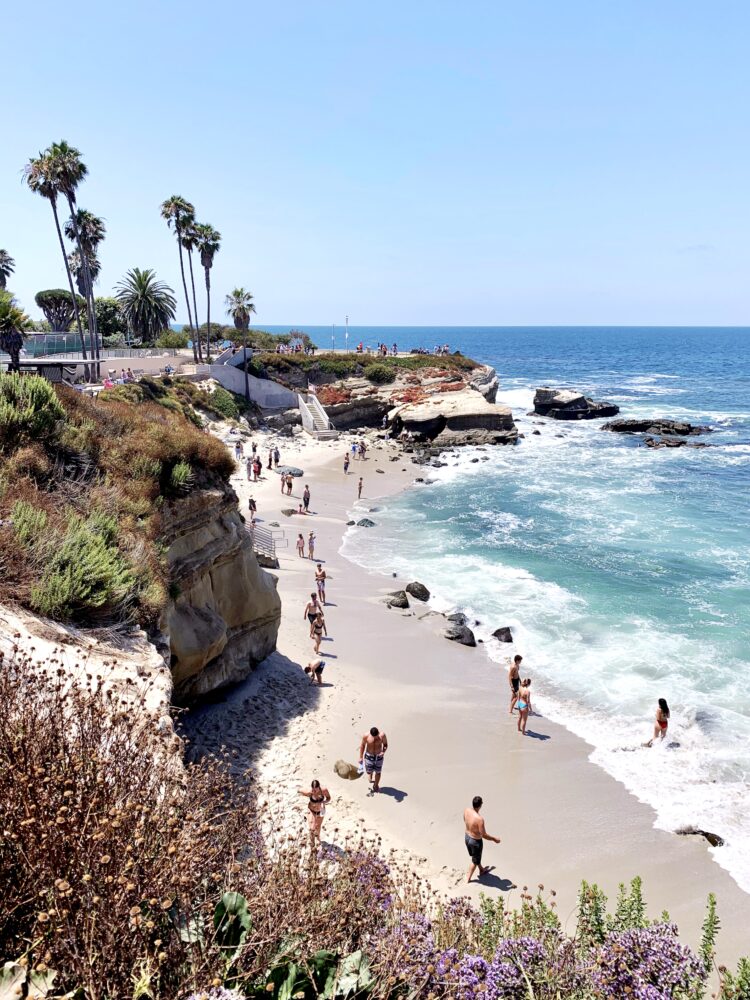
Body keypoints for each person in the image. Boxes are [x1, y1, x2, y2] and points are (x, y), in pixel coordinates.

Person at [464, 795, 501, 883]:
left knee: (476, 857)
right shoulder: (479, 819)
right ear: (480, 805)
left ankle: (481, 869)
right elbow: (483, 835)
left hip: (467, 837)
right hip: (475, 841)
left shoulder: (466, 810)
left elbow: (464, 820)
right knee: (474, 860)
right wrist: (494, 839)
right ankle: (468, 879)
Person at [298, 779, 330, 845]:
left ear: (319, 787)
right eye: (313, 789)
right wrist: (299, 791)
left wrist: (324, 802)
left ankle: (318, 838)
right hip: (311, 810)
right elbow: (300, 790)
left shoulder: (324, 790)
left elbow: (328, 798)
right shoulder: (309, 792)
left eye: (316, 789)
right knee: (312, 828)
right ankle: (312, 842)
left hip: (321, 811)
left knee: (318, 826)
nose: (314, 791)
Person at [358, 726, 388, 794]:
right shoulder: (366, 736)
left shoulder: (382, 735)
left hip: (379, 756)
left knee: (378, 772)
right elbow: (362, 745)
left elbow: (385, 744)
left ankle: (376, 785)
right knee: (369, 771)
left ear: (378, 733)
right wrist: (360, 757)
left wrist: (383, 751)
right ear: (371, 734)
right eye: (373, 736)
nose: (375, 738)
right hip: (369, 756)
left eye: (376, 736)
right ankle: (370, 774)